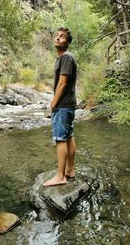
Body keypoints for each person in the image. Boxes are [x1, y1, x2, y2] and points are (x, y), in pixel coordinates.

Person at [43, 27, 77, 187]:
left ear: (68, 42)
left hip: (63, 105)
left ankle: (60, 176)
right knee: (69, 136)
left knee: (60, 139)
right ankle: (70, 171)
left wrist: (53, 103)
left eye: (62, 37)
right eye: (57, 36)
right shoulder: (65, 58)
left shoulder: (66, 57)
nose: (58, 38)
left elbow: (62, 83)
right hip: (68, 105)